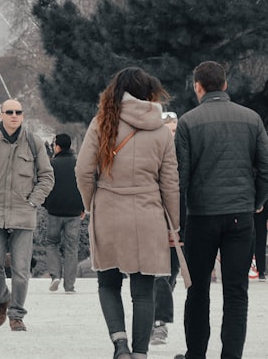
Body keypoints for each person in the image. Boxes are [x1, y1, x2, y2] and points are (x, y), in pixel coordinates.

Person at [74, 67, 179, 359]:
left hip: (108, 208)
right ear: (149, 93)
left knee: (108, 283)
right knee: (143, 290)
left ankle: (120, 345)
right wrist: (174, 224)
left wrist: (90, 203)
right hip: (148, 213)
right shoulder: (160, 131)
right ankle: (141, 352)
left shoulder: (102, 122)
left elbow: (83, 171)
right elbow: (170, 183)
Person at [173, 61, 268, 359]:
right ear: (226, 85)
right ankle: (231, 354)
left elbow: (181, 177)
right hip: (240, 216)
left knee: (198, 289)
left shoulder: (188, 122)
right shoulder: (251, 119)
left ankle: (196, 354)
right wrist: (254, 201)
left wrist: (179, 220)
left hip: (202, 217)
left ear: (198, 87)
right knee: (236, 291)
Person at [0, 98, 53, 332]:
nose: (14, 115)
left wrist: (33, 201)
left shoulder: (34, 143)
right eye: (9, 112)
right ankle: (1, 298)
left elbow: (47, 176)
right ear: (1, 115)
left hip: (23, 214)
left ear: (23, 115)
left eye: (18, 112)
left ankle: (16, 314)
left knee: (21, 269)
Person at [152, 112, 182, 345]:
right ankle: (158, 322)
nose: (171, 135)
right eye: (168, 130)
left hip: (179, 223)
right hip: (153, 220)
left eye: (174, 131)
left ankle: (156, 316)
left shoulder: (185, 156)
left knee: (170, 274)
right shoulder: (151, 154)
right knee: (159, 274)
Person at [43, 132, 84, 294]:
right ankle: (70, 286)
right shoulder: (78, 164)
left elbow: (44, 185)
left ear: (57, 146)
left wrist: (46, 204)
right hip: (74, 212)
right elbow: (85, 185)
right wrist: (83, 207)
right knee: (71, 248)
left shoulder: (51, 164)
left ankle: (55, 275)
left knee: (52, 243)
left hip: (54, 211)